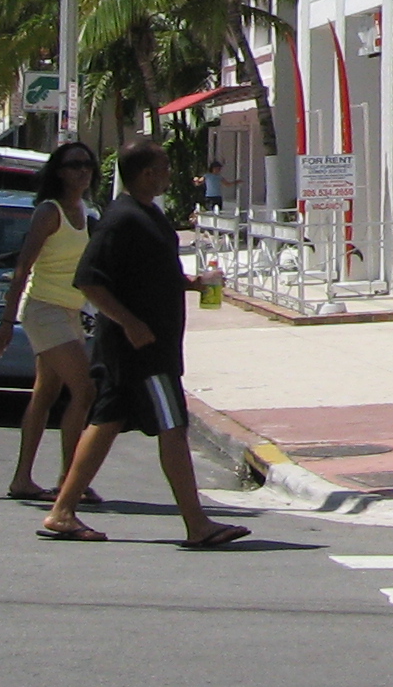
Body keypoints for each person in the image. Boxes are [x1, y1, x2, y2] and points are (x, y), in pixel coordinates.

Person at [39, 137, 244, 549]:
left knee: (107, 422)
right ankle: (197, 523)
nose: (170, 174)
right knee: (173, 425)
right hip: (143, 351)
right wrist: (129, 322)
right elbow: (90, 280)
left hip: (147, 346)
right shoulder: (121, 219)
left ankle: (62, 511)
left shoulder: (149, 216)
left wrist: (192, 283)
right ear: (147, 173)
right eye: (164, 167)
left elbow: (148, 275)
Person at [0, 140, 99, 504]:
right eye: (73, 165)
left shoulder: (86, 211)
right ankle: (71, 480)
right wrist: (6, 322)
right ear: (58, 171)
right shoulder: (49, 212)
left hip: (69, 311)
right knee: (84, 391)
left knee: (46, 394)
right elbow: (23, 267)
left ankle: (22, 479)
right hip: (43, 310)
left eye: (87, 164)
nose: (81, 171)